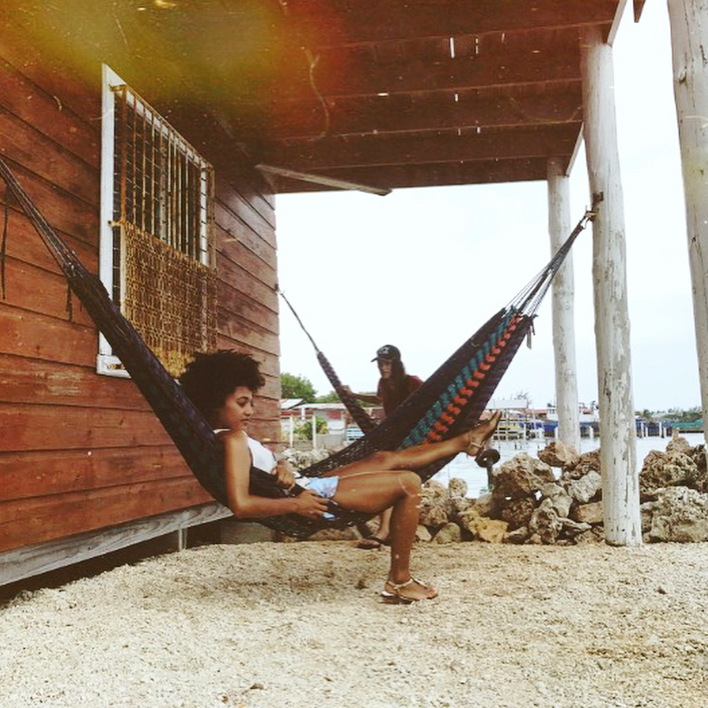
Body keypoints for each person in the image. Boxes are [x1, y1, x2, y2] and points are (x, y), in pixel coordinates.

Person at [179, 349, 501, 603]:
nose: (250, 411)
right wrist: (296, 505)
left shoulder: (229, 438)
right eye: (241, 403)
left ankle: (465, 441)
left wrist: (282, 466)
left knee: (383, 457)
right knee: (408, 483)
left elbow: (260, 469)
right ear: (214, 402)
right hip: (311, 499)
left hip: (306, 485)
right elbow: (241, 505)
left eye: (250, 402)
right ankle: (399, 581)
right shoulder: (233, 440)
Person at [346, 344, 423, 549]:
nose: (382, 367)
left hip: (412, 438)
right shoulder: (383, 383)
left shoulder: (412, 382)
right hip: (391, 438)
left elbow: (433, 398)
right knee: (385, 477)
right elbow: (378, 398)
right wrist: (354, 396)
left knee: (392, 477)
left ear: (396, 364)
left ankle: (385, 531)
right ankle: (387, 530)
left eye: (387, 363)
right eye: (380, 363)